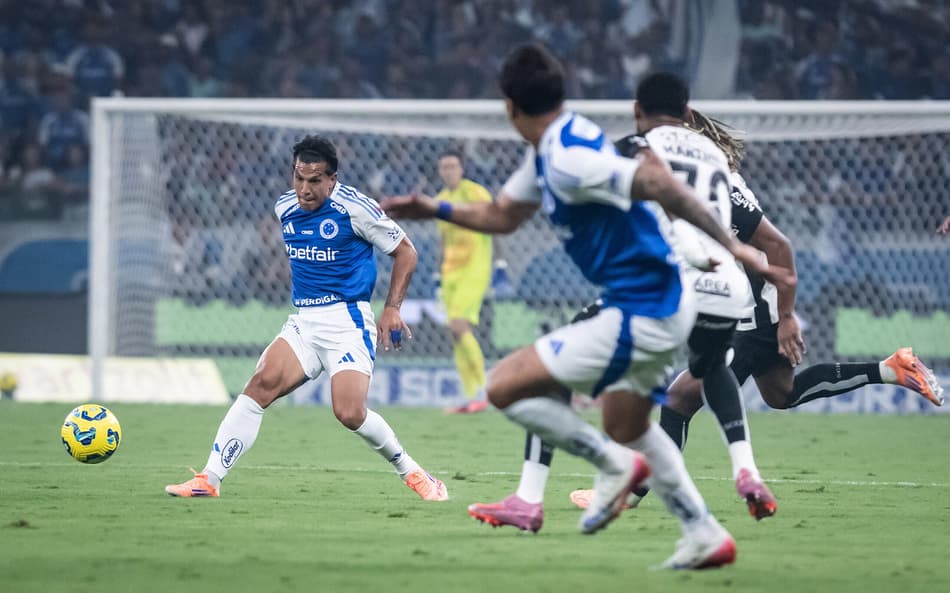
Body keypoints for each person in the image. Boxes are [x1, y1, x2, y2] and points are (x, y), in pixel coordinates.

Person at [383, 44, 789, 570]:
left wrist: (732, 246)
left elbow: (654, 182)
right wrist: (433, 208)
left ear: (509, 107)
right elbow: (504, 215)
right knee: (631, 424)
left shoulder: (571, 156)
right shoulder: (555, 144)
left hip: (644, 307)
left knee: (507, 385)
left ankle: (606, 471)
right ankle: (704, 533)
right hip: (655, 305)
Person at [570, 109, 945, 511]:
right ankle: (892, 368)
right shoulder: (690, 180)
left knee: (679, 400)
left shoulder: (722, 186)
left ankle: (630, 490)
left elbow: (779, 246)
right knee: (782, 393)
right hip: (743, 305)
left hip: (752, 311)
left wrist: (785, 318)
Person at [469, 77, 778, 534]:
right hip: (726, 286)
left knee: (551, 371)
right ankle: (740, 473)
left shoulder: (634, 148)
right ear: (688, 114)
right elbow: (773, 242)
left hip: (664, 284)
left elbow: (608, 193)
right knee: (703, 374)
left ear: (637, 110)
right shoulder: (717, 160)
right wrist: (782, 311)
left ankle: (535, 496)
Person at [165, 135, 448, 502]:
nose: (305, 188)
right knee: (259, 385)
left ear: (332, 179)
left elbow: (406, 252)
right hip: (306, 321)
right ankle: (210, 479)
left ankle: (413, 472)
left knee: (348, 412)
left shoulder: (356, 208)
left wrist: (392, 309)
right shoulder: (284, 207)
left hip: (348, 322)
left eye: (315, 181)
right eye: (299, 178)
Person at [433, 149, 493, 414]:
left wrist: (500, 265)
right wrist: (437, 274)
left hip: (474, 268)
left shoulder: (476, 193)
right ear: (439, 171)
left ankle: (484, 390)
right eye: (444, 167)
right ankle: (471, 396)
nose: (449, 171)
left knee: (459, 326)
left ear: (461, 169)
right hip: (450, 272)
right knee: (455, 334)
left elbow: (493, 224)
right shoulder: (439, 201)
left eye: (453, 166)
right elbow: (442, 241)